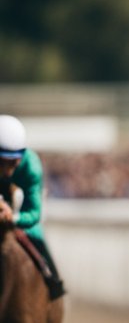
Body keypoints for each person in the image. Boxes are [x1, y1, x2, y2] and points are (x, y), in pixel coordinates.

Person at [0, 115, 66, 300]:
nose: (7, 171)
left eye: (13, 163)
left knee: (36, 235)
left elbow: (34, 213)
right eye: (1, 162)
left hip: (18, 210)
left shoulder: (31, 167)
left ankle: (53, 281)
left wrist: (13, 218)